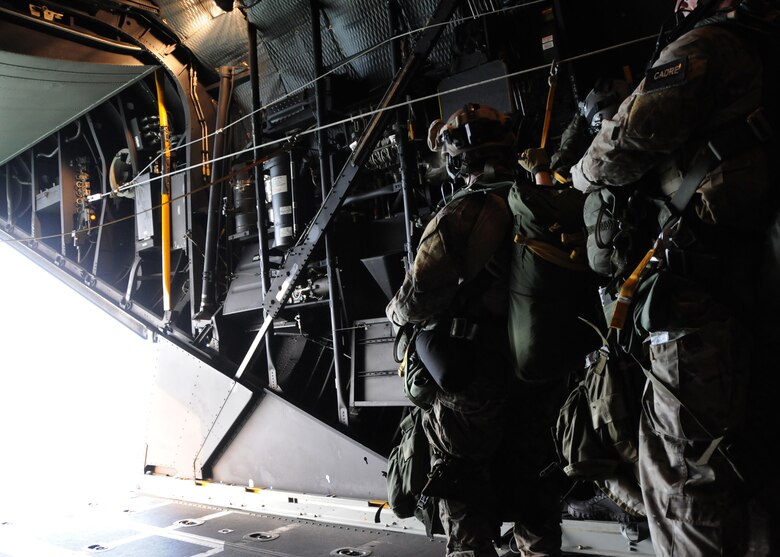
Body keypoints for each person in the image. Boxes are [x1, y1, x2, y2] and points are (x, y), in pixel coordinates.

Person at [570, 0, 779, 554]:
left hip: (699, 300)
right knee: (752, 468)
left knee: (684, 484)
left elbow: (625, 142)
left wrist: (577, 173)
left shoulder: (706, 46)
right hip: (754, 282)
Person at [387, 102, 599, 557]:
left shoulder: (462, 213)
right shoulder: (542, 203)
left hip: (474, 385)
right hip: (540, 375)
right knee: (535, 491)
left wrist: (396, 316)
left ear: (458, 157)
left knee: (462, 491)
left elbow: (416, 299)